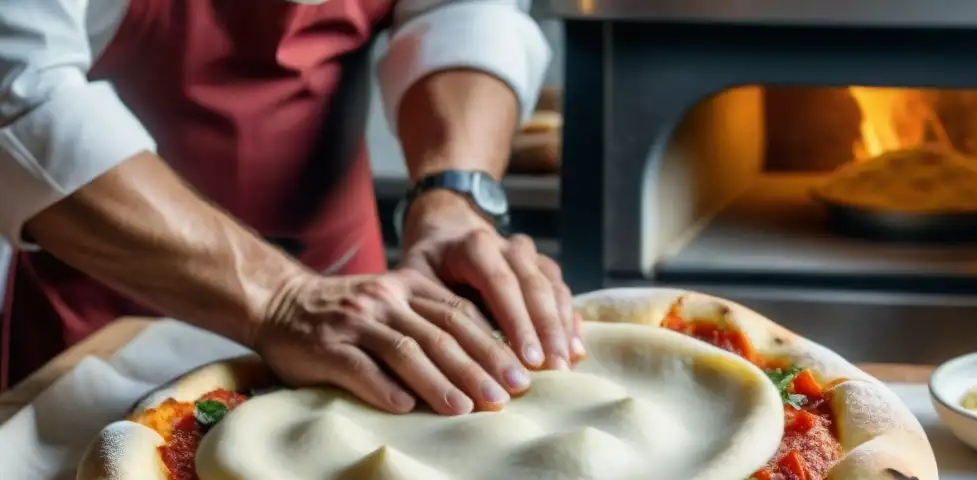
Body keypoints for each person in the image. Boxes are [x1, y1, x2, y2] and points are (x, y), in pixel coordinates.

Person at [0, 0, 583, 416]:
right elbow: (21, 94)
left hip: (350, 274)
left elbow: (460, 14)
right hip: (108, 298)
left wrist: (454, 199)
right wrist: (277, 298)